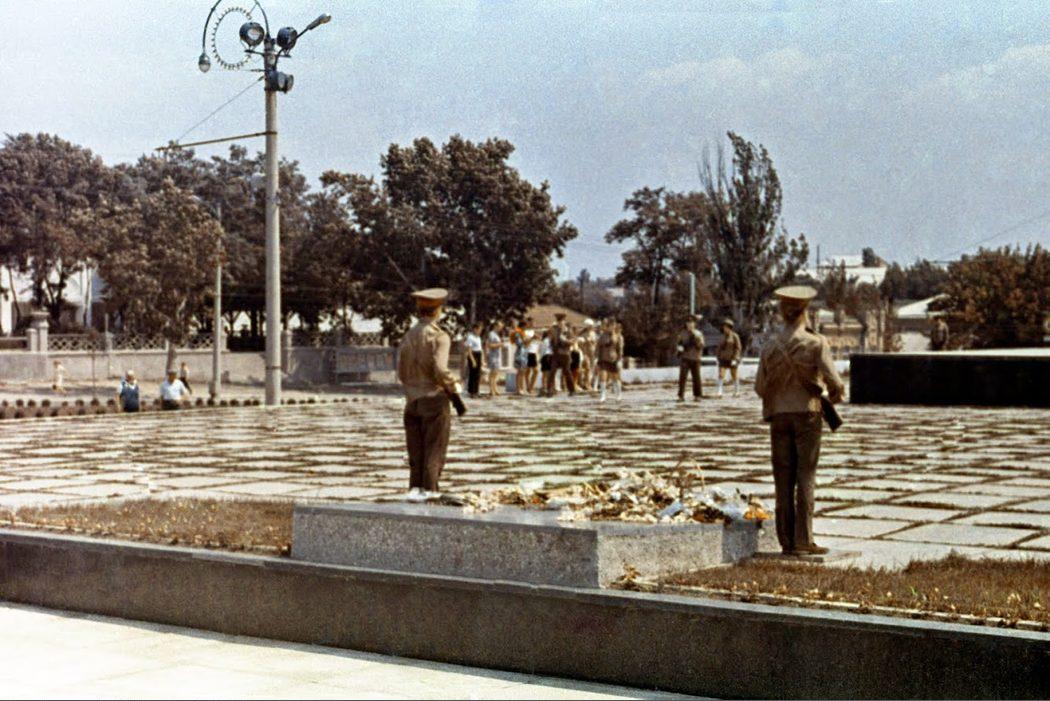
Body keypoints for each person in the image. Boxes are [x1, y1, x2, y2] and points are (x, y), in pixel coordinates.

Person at [754, 285, 845, 557]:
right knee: (805, 475)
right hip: (807, 415)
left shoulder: (770, 345)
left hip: (778, 417)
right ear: (805, 311)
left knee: (782, 479)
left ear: (782, 312)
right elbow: (836, 384)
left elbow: (760, 387)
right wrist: (832, 397)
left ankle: (786, 540)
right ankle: (804, 539)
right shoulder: (816, 343)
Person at [397, 288, 462, 501]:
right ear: (438, 310)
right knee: (434, 454)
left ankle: (414, 497)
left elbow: (401, 371)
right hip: (434, 399)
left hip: (412, 401)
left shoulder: (408, 335)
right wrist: (453, 385)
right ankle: (431, 497)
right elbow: (440, 369)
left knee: (416, 457)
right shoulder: (439, 336)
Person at [546, 312, 576, 396]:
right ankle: (550, 390)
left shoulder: (568, 330)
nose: (560, 322)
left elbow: (573, 341)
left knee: (567, 372)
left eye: (561, 321)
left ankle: (572, 390)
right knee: (552, 371)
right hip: (555, 354)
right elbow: (550, 340)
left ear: (564, 321)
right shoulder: (553, 329)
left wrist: (565, 340)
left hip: (565, 353)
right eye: (558, 321)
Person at [676, 315, 704, 402]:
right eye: (688, 323)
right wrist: (680, 348)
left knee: (696, 378)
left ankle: (697, 395)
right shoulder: (682, 333)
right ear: (686, 324)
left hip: (695, 358)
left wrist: (696, 340)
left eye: (691, 323)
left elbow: (702, 346)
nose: (690, 325)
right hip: (685, 358)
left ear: (694, 324)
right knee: (682, 377)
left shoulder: (698, 334)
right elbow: (678, 344)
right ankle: (681, 395)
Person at [597, 318, 624, 402]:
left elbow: (619, 349)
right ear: (607, 326)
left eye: (613, 325)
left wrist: (619, 359)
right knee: (603, 376)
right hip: (603, 358)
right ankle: (603, 395)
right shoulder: (602, 336)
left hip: (613, 359)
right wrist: (597, 358)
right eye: (610, 326)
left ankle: (619, 394)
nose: (612, 327)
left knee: (616, 377)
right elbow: (598, 348)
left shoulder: (618, 336)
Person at [716, 319, 743, 397]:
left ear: (730, 328)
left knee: (734, 375)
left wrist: (735, 358)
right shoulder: (722, 337)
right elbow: (719, 348)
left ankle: (736, 391)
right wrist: (718, 357)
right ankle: (720, 391)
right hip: (723, 358)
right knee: (721, 374)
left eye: (727, 327)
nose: (725, 329)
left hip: (732, 358)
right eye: (724, 327)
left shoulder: (735, 336)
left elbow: (738, 348)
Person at [464, 323, 483, 398]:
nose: (480, 331)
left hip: (478, 354)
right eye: (479, 329)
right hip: (473, 354)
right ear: (475, 329)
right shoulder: (470, 337)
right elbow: (469, 350)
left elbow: (480, 349)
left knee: (478, 374)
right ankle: (471, 391)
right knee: (473, 374)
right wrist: (473, 360)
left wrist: (482, 359)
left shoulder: (478, 337)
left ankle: (476, 391)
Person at [486, 320, 504, 397]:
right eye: (500, 326)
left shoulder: (497, 334)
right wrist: (499, 345)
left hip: (497, 355)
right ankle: (491, 390)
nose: (501, 328)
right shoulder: (491, 334)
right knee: (492, 373)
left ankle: (495, 388)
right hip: (493, 355)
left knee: (496, 373)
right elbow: (489, 345)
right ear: (495, 326)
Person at [524, 322, 540, 395]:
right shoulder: (525, 332)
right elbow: (525, 343)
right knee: (532, 371)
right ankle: (529, 387)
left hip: (534, 353)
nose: (532, 324)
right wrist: (532, 338)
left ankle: (530, 387)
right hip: (528, 352)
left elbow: (537, 343)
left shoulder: (533, 332)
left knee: (532, 371)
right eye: (530, 323)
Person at [539, 331, 553, 397]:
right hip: (548, 356)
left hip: (544, 357)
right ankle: (547, 388)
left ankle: (543, 387)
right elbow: (548, 350)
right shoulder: (547, 341)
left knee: (544, 374)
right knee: (548, 374)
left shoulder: (543, 341)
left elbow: (541, 351)